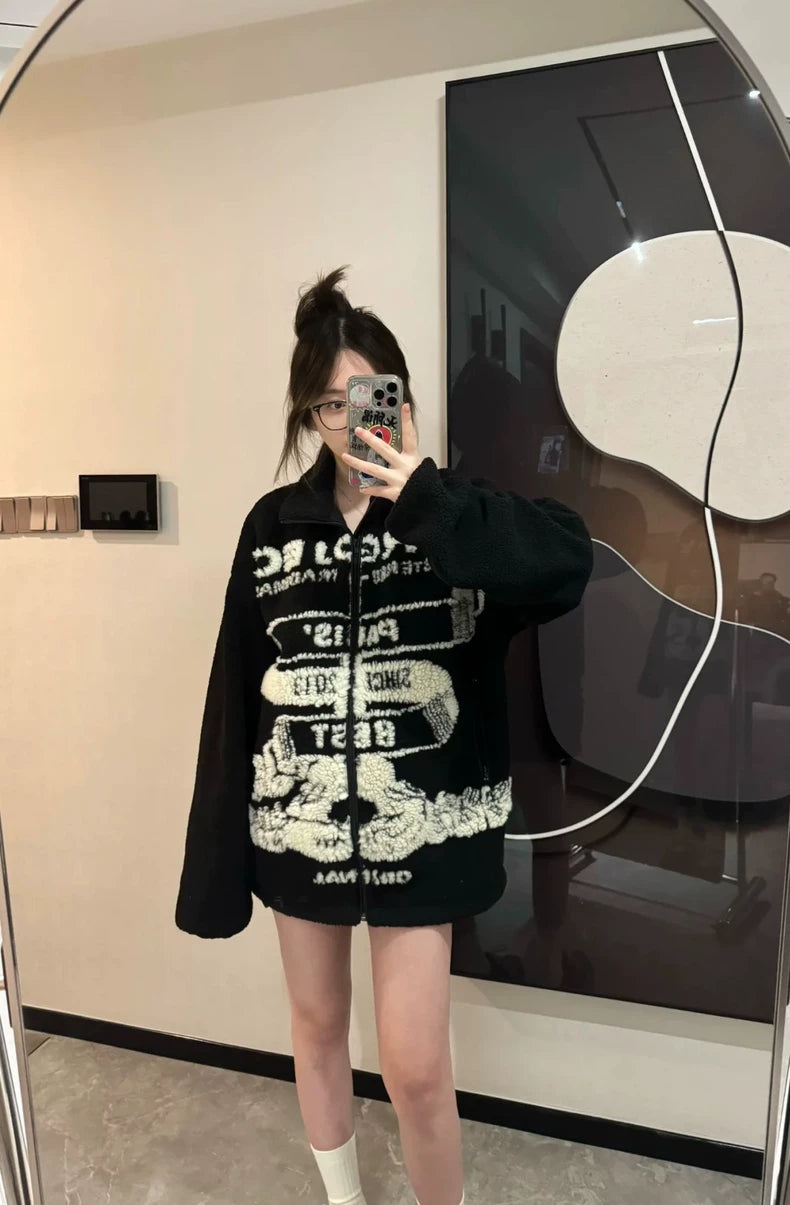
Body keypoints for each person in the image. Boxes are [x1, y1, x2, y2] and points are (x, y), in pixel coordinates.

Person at [175, 267, 593, 1205]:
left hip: (423, 837)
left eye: (368, 396)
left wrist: (429, 500)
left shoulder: (457, 517)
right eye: (330, 403)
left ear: (399, 400)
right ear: (309, 413)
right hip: (302, 828)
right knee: (318, 1029)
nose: (349, 419)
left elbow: (567, 563)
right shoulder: (272, 530)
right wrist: (218, 854)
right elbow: (237, 693)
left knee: (415, 1066)